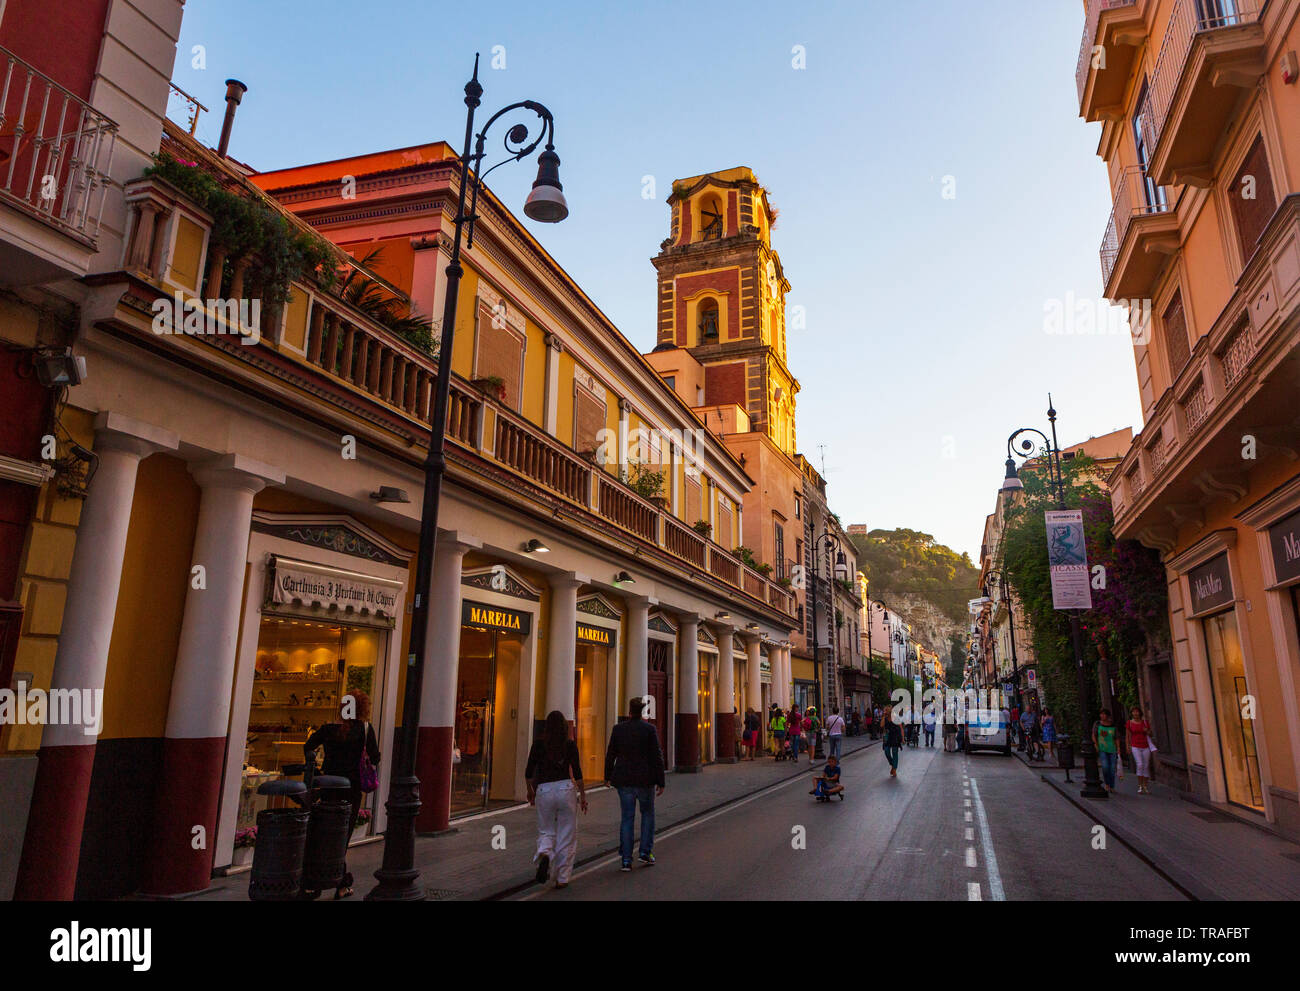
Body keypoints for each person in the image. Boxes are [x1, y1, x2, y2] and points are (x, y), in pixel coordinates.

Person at [303, 690, 380, 900]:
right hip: (352, 788)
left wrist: (317, 770)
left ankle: (316, 880)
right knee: (341, 834)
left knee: (324, 831)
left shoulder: (329, 729)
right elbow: (375, 756)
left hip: (329, 785)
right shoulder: (364, 729)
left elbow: (309, 746)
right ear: (363, 708)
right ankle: (340, 882)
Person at [526, 709, 587, 888]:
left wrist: (530, 790)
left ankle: (545, 853)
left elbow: (529, 772)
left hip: (544, 790)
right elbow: (578, 773)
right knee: (567, 834)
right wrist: (583, 795)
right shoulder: (569, 745)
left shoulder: (538, 745)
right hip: (565, 789)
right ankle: (562, 877)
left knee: (546, 830)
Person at [605, 697, 666, 871]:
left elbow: (611, 753)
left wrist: (607, 775)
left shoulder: (618, 729)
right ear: (642, 712)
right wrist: (661, 781)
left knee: (627, 818)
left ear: (629, 712)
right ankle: (645, 852)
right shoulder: (649, 730)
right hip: (645, 780)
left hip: (624, 780)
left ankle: (626, 859)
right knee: (647, 815)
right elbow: (657, 756)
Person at [1127, 705, 1156, 794]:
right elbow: (1128, 735)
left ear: (1140, 713)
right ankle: (1140, 785)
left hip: (1145, 746)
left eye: (1137, 711)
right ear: (1131, 713)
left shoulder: (1145, 723)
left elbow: (1151, 734)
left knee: (1146, 765)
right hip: (1135, 746)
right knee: (1140, 764)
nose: (1135, 713)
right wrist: (1128, 746)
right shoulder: (1129, 723)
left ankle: (1145, 785)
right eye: (1133, 712)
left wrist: (1147, 730)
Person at [1093, 708, 1119, 792]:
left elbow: (1116, 737)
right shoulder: (1097, 724)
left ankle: (1112, 785)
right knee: (1105, 767)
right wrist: (1096, 745)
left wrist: (1118, 748)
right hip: (1102, 748)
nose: (1102, 716)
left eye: (1104, 714)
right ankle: (1107, 784)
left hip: (1112, 748)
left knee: (1112, 768)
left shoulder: (1113, 725)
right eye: (1101, 714)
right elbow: (1093, 735)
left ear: (1107, 716)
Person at [882, 705, 903, 777]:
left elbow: (901, 728)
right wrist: (883, 716)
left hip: (895, 736)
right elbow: (881, 726)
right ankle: (893, 765)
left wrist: (903, 738)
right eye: (885, 711)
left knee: (895, 752)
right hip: (887, 736)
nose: (885, 712)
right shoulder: (884, 718)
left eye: (886, 711)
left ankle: (894, 769)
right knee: (886, 751)